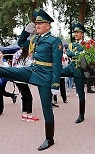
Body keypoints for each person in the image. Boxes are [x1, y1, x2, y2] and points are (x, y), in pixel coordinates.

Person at [0, 8, 63, 151]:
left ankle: (49, 139)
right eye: (36, 23)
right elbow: (21, 42)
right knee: (9, 71)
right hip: (32, 70)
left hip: (46, 76)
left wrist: (55, 83)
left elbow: (57, 64)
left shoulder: (54, 41)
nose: (37, 25)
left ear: (48, 25)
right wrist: (26, 31)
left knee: (46, 107)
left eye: (40, 23)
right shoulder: (35, 39)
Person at [61, 22, 87, 123]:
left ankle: (81, 115)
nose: (75, 34)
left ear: (82, 34)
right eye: (75, 32)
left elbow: (84, 55)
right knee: (57, 73)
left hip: (79, 69)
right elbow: (68, 53)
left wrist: (75, 54)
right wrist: (78, 54)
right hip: (71, 67)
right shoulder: (71, 44)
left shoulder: (87, 44)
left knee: (80, 92)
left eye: (78, 32)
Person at [12, 47, 39, 121]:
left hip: (17, 79)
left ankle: (24, 114)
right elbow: (33, 66)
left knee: (24, 96)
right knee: (29, 97)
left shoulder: (19, 55)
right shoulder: (26, 58)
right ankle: (29, 116)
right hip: (22, 79)